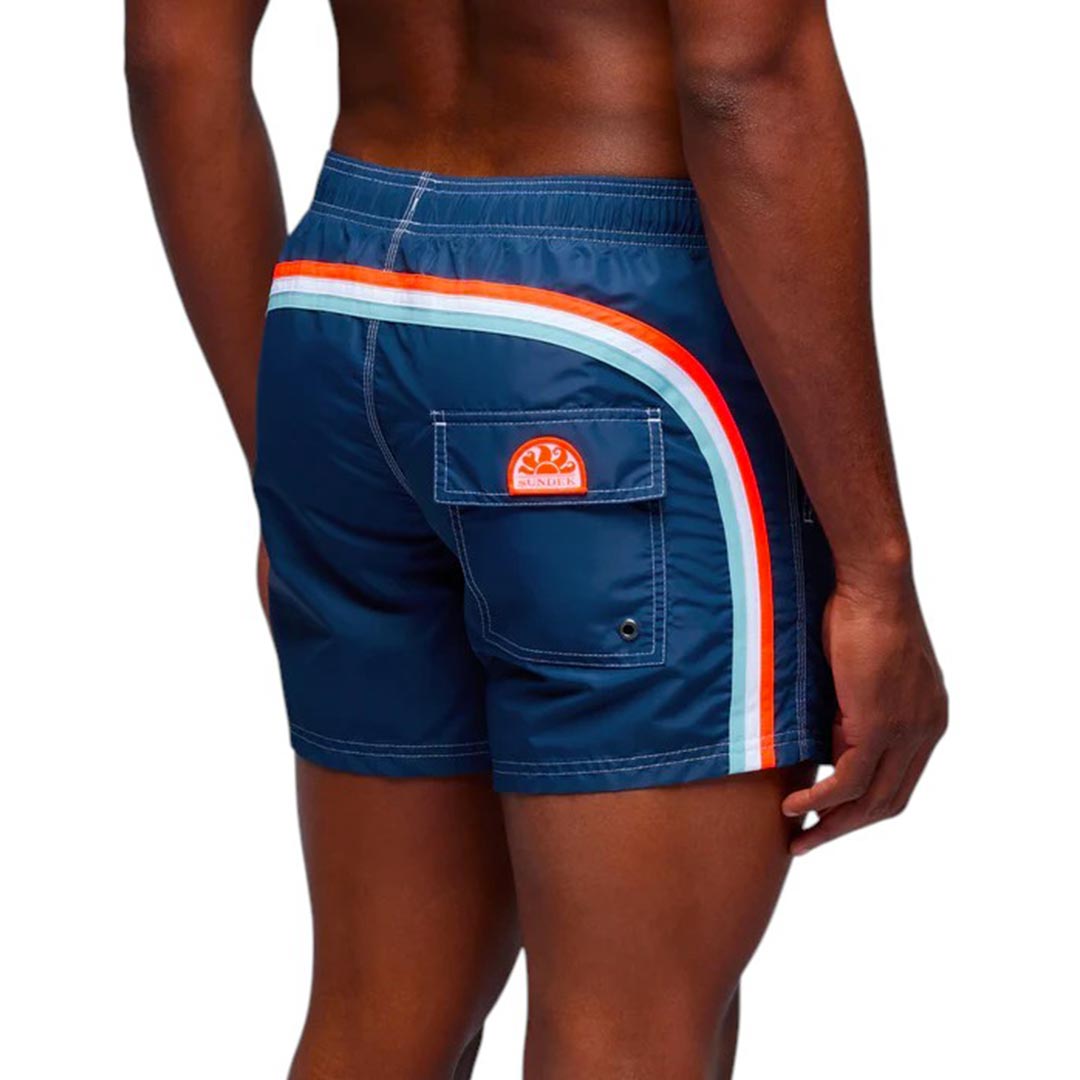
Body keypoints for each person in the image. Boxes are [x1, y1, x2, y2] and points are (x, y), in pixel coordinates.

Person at [125, 0, 948, 1076]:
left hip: (340, 302)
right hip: (609, 338)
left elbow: (172, 55)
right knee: (632, 1032)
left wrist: (281, 465)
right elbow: (746, 75)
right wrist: (877, 575)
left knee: (379, 1014)